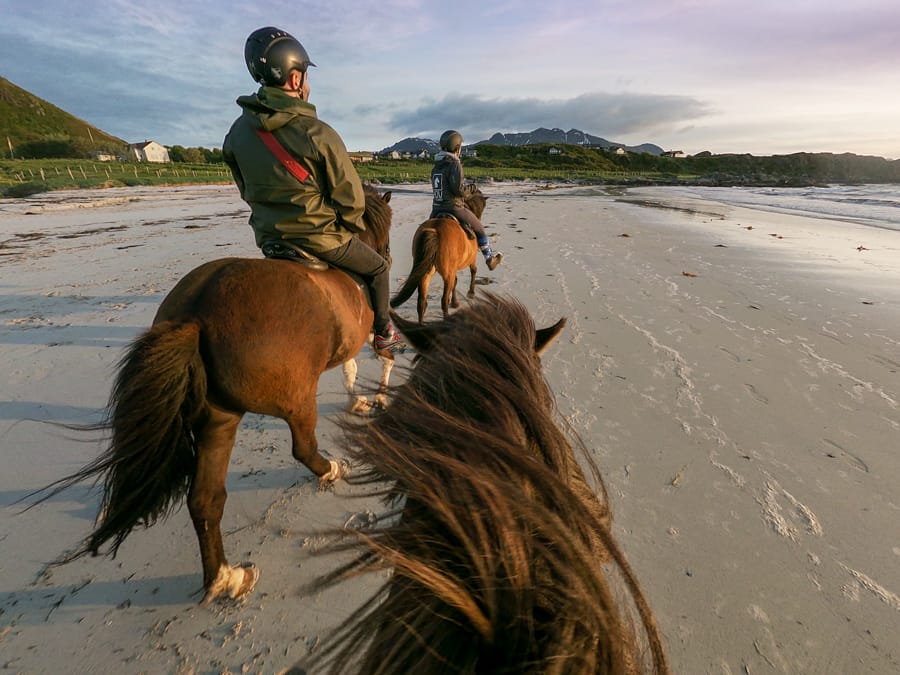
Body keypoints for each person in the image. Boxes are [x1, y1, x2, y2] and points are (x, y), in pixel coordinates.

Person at [223, 26, 402, 351]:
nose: (307, 82)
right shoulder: (318, 133)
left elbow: (245, 188)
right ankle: (383, 332)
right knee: (378, 267)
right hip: (320, 239)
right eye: (305, 74)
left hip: (270, 239)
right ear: (294, 79)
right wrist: (344, 227)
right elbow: (351, 203)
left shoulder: (236, 134)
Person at [430, 130, 502, 270]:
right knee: (480, 229)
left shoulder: (436, 166)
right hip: (454, 207)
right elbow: (459, 190)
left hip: (436, 209)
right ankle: (490, 259)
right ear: (457, 148)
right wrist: (472, 188)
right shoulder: (455, 164)